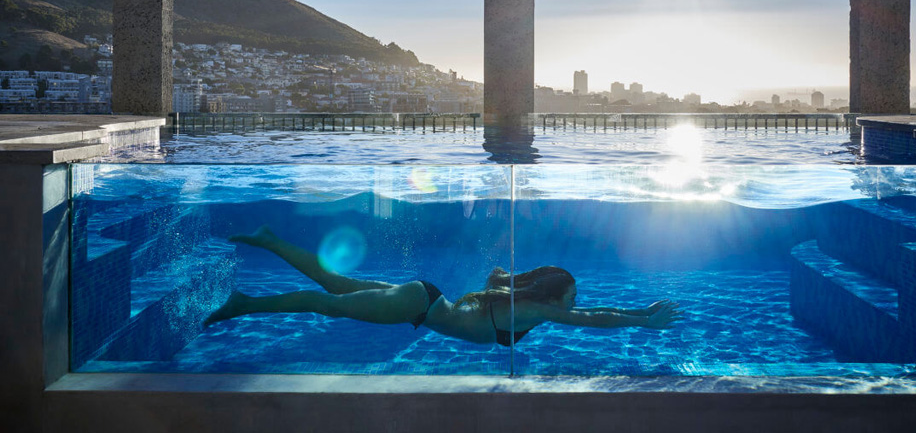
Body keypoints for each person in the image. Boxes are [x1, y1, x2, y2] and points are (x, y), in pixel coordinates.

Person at [204, 225, 681, 345]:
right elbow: (591, 318)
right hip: (421, 305)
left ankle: (269, 241)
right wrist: (645, 322)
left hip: (424, 298)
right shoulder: (538, 310)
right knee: (325, 301)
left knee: (333, 283)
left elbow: (590, 310)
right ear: (555, 298)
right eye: (571, 295)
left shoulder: (519, 300)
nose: (577, 302)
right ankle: (244, 304)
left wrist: (642, 313)